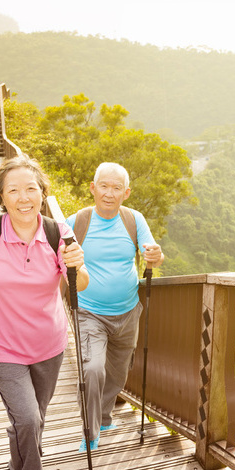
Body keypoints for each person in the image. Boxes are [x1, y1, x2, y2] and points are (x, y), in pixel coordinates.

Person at [0, 154, 89, 470]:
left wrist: (77, 264)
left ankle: (26, 456)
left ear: (42, 193)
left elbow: (79, 286)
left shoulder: (57, 233)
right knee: (28, 418)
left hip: (49, 344)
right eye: (13, 190)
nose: (23, 196)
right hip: (0, 347)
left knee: (34, 418)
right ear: (1, 196)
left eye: (31, 188)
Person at [66, 162, 164, 453]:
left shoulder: (134, 220)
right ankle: (91, 429)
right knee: (93, 368)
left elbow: (153, 255)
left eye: (116, 188)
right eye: (104, 186)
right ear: (93, 188)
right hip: (88, 311)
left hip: (128, 311)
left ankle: (105, 416)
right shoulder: (76, 222)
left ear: (126, 192)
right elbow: (56, 259)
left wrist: (155, 256)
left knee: (119, 372)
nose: (109, 193)